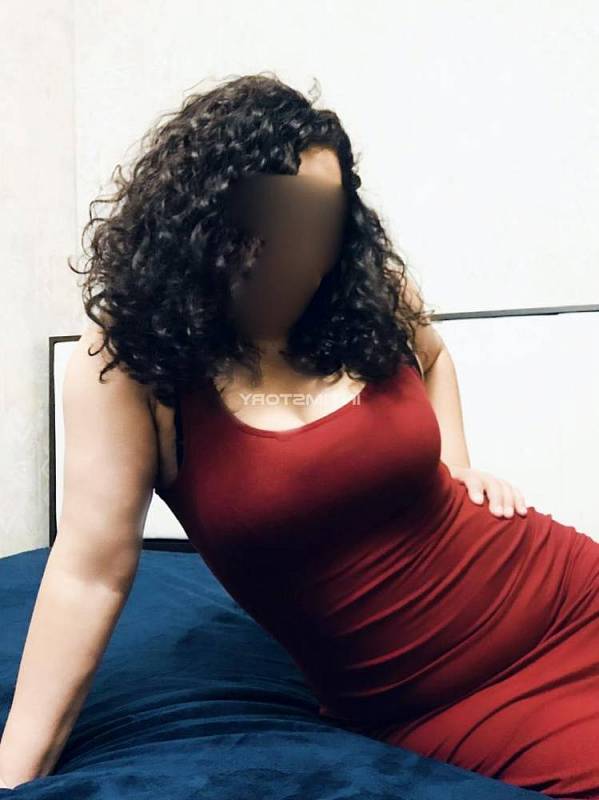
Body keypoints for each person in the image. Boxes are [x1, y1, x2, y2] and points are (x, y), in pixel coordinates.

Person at [1, 73, 598, 798]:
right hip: (440, 699)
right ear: (204, 217)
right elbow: (88, 573)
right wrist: (13, 775)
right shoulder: (134, 360)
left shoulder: (366, 291)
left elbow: (436, 356)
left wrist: (456, 463)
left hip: (564, 591)